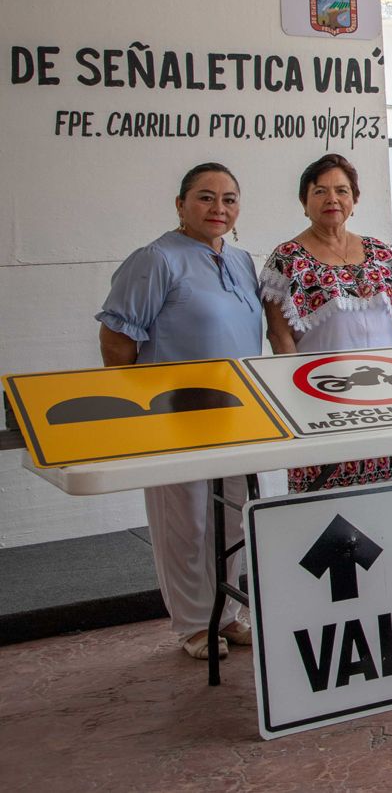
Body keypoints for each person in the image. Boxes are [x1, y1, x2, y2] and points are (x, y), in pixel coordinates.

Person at [96, 163, 261, 660]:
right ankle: (194, 624)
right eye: (206, 198)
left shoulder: (242, 261)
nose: (219, 209)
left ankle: (227, 614)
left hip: (239, 413)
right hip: (175, 415)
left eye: (229, 199)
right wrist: (140, 406)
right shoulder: (156, 259)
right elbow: (118, 338)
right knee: (184, 520)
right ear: (181, 204)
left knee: (233, 517)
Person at [261, 154, 392, 491]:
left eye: (342, 191)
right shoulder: (287, 258)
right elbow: (279, 334)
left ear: (354, 200)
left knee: (382, 503)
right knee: (322, 510)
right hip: (321, 404)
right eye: (320, 192)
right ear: (304, 201)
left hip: (382, 403)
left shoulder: (381, 253)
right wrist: (300, 401)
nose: (332, 200)